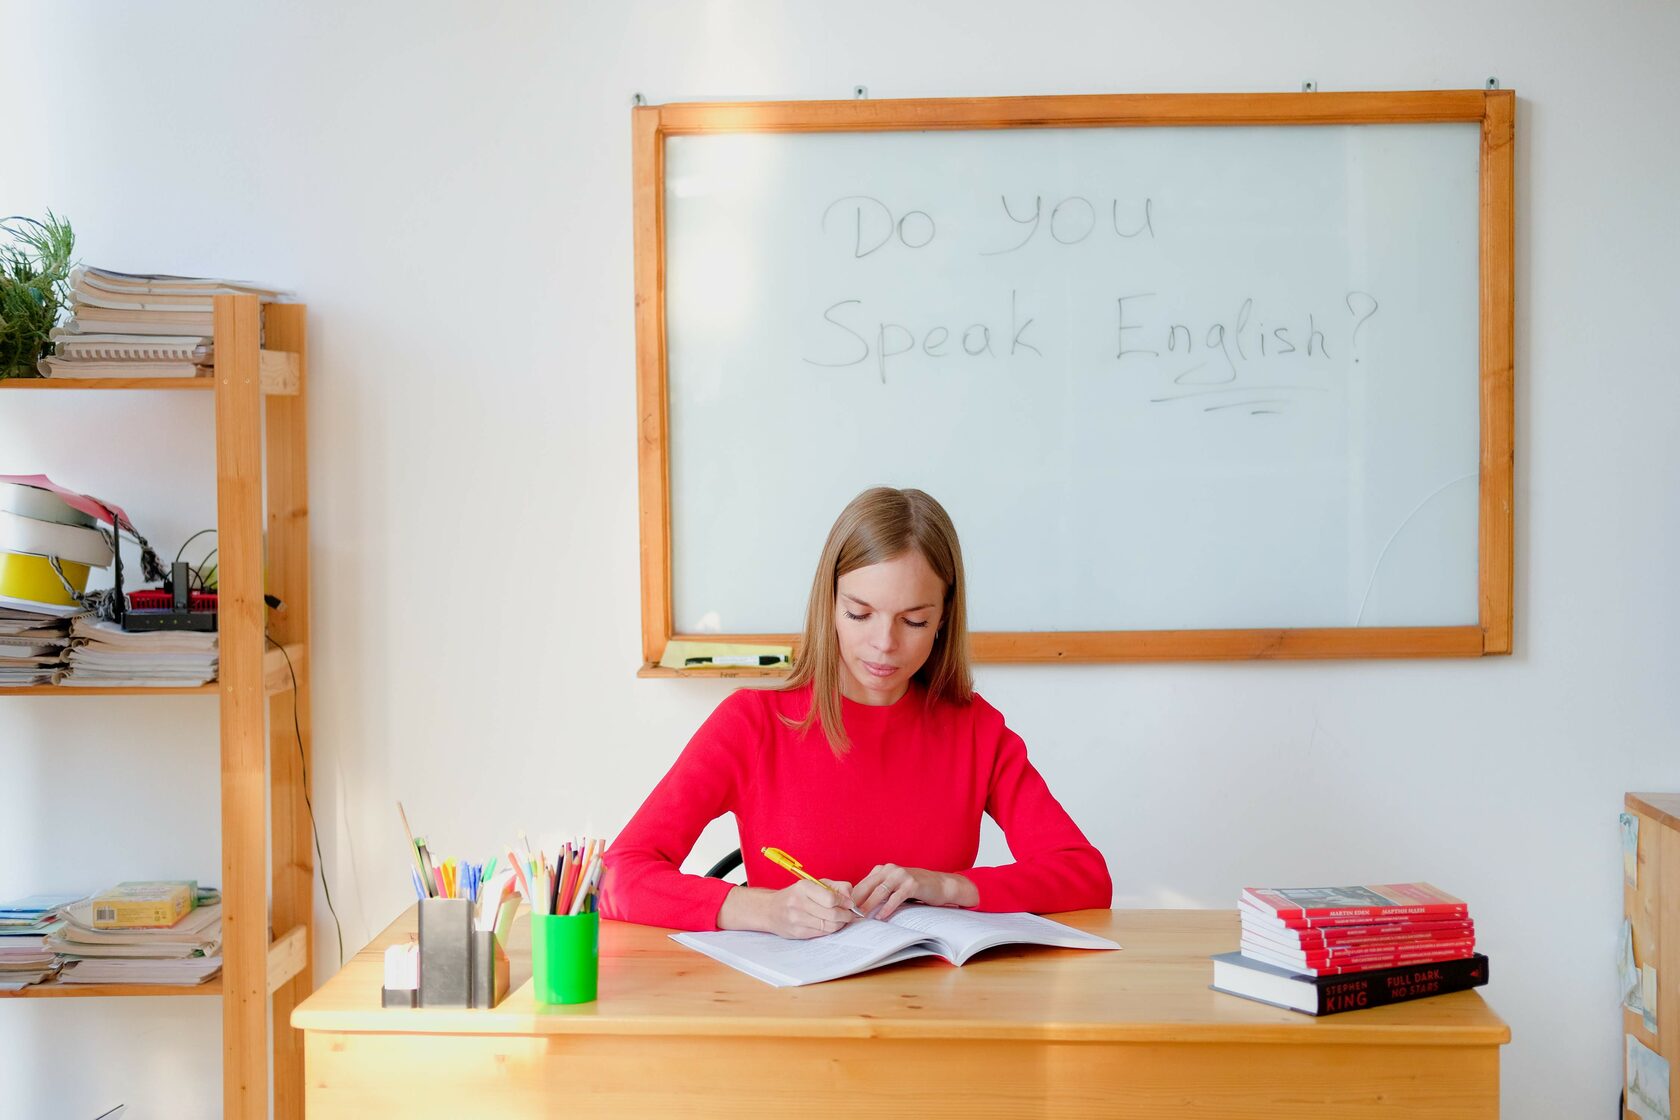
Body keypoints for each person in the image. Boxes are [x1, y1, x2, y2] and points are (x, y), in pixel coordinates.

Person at [601, 486, 1111, 938]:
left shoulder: (976, 729)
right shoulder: (752, 724)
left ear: (943, 620)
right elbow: (619, 875)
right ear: (829, 605)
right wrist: (763, 909)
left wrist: (949, 887)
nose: (883, 644)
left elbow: (1085, 876)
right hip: (793, 1015)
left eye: (913, 621)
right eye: (859, 613)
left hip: (934, 1010)